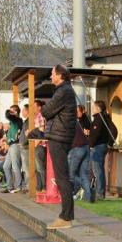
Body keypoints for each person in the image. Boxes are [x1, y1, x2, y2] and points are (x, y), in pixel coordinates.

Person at [41, 64, 77, 229]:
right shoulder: (64, 90)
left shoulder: (63, 91)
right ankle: (66, 215)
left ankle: (66, 217)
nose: (50, 76)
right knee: (62, 175)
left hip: (59, 137)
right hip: (60, 136)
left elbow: (46, 111)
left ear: (60, 75)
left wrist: (46, 109)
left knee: (62, 176)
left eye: (52, 74)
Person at [87, 100, 117, 201]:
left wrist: (90, 145)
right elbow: (114, 130)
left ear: (98, 108)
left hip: (97, 147)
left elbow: (95, 134)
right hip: (102, 146)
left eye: (93, 106)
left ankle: (100, 194)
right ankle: (100, 193)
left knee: (97, 171)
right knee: (99, 170)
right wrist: (109, 143)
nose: (92, 108)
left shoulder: (99, 118)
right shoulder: (105, 118)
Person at [68, 105, 92, 202]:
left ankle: (77, 193)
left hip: (77, 148)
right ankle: (88, 197)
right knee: (84, 174)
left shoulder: (68, 122)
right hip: (86, 147)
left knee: (71, 174)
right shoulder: (77, 122)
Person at [2, 105, 23, 193]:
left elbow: (7, 114)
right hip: (11, 145)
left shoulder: (17, 119)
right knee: (6, 166)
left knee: (15, 167)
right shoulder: (12, 121)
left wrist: (10, 112)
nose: (9, 112)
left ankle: (18, 186)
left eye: (12, 111)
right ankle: (9, 186)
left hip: (15, 145)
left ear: (15, 112)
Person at [33, 100, 47, 192]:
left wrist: (36, 143)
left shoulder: (40, 116)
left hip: (40, 145)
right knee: (36, 168)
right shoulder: (36, 116)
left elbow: (41, 131)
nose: (33, 108)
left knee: (40, 168)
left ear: (39, 107)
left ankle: (44, 187)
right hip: (37, 144)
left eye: (34, 106)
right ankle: (39, 187)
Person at [19, 104, 30, 192]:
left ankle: (28, 186)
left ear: (27, 111)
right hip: (23, 147)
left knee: (26, 168)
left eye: (23, 110)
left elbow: (28, 134)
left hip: (26, 147)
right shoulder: (25, 121)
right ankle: (27, 185)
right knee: (25, 168)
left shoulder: (29, 121)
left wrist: (23, 143)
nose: (22, 112)